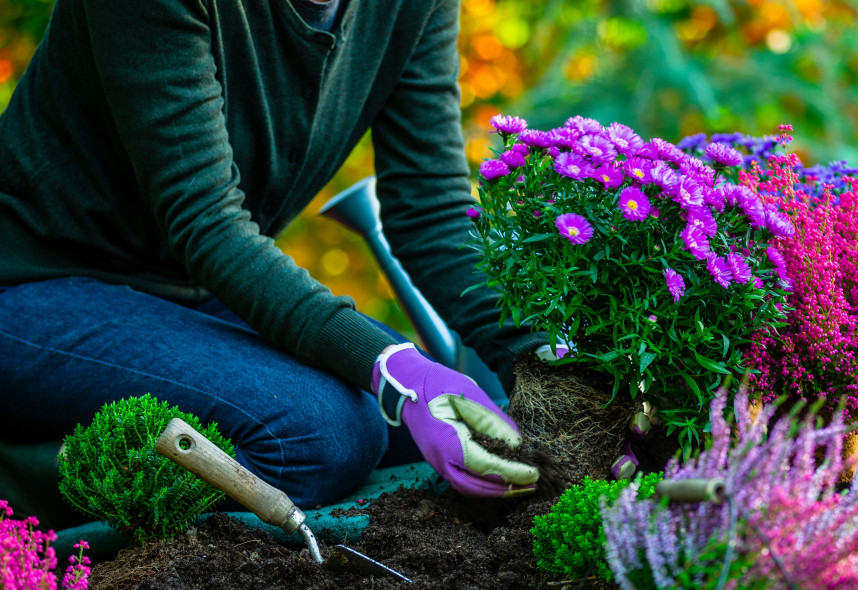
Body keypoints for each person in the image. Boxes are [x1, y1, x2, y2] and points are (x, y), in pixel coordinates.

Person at [0, 0, 558, 518]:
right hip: (32, 281)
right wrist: (398, 371)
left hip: (187, 292)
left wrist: (546, 357)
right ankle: (29, 480)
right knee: (318, 435)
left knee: (417, 433)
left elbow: (432, 211)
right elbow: (207, 221)